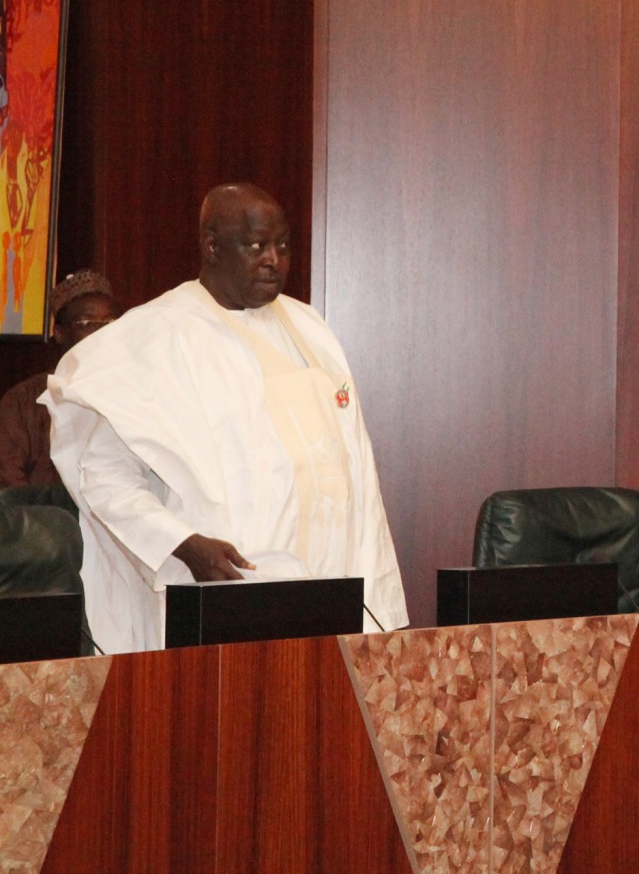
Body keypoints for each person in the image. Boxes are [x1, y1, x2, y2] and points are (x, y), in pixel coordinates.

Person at [44, 183, 408, 652]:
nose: (274, 259)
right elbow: (103, 475)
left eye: (282, 245)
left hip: (328, 598)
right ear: (212, 245)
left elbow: (359, 477)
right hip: (218, 605)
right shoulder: (150, 338)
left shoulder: (312, 330)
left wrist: (379, 602)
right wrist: (182, 542)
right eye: (257, 246)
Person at [0, 270, 120, 487]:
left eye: (110, 323)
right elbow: (10, 490)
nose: (101, 334)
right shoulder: (24, 401)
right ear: (60, 333)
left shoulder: (132, 392)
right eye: (87, 323)